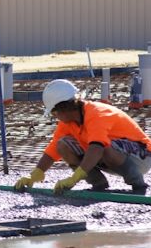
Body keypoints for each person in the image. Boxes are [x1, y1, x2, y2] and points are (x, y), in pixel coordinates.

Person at [14, 79, 151, 195]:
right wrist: (36, 173)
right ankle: (99, 185)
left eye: (54, 112)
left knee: (102, 147)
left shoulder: (97, 114)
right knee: (62, 144)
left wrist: (74, 178)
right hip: (114, 155)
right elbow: (53, 149)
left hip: (142, 156)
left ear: (63, 108)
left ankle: (138, 185)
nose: (55, 116)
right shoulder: (68, 121)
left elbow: (97, 148)